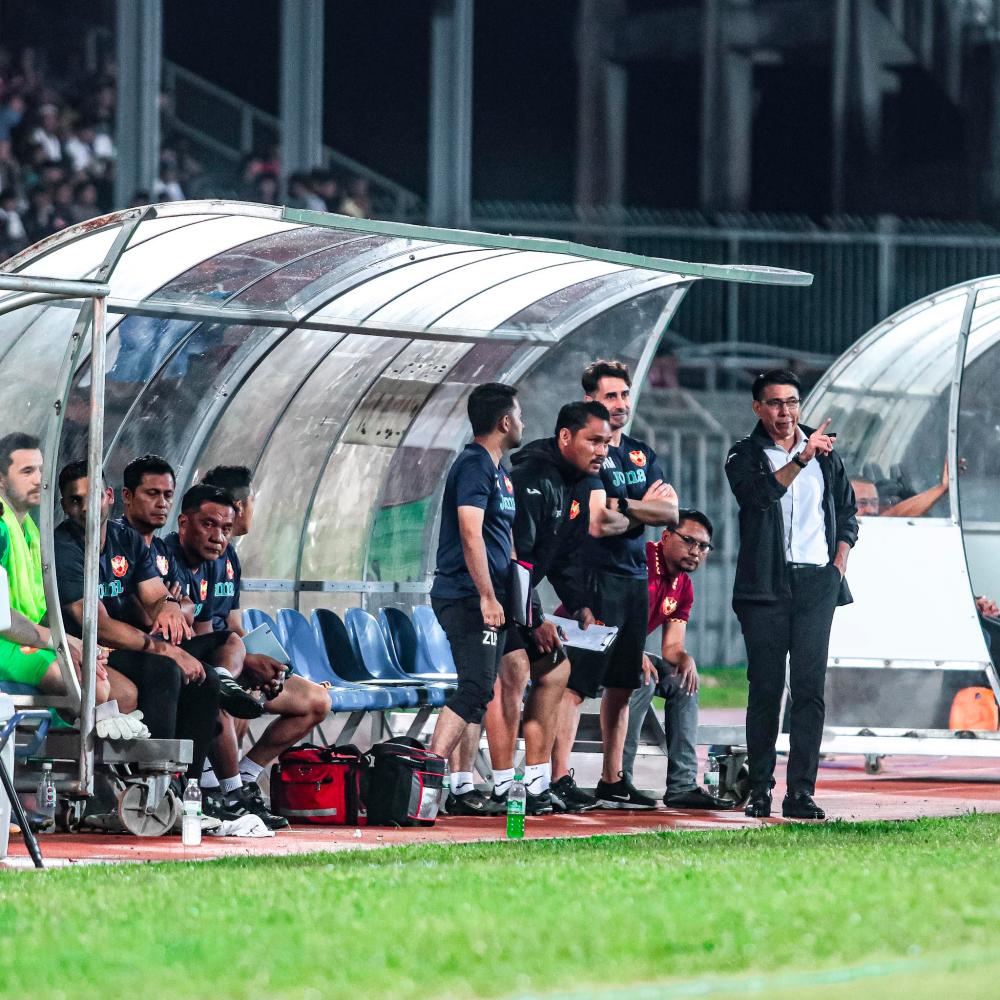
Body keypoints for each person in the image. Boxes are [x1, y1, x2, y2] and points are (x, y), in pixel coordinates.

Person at [725, 370, 858, 820]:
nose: (785, 412)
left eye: (792, 402)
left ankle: (800, 792)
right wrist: (801, 457)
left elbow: (847, 512)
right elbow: (757, 498)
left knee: (809, 689)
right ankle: (759, 788)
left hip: (817, 582)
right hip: (764, 586)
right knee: (764, 688)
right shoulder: (743, 454)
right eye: (775, 403)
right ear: (757, 408)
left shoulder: (826, 454)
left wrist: (837, 565)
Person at [551, 360, 679, 810]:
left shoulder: (641, 452)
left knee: (622, 686)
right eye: (611, 397)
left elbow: (672, 515)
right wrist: (644, 506)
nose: (621, 404)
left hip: (635, 576)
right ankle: (559, 778)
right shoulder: (591, 456)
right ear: (591, 401)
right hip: (596, 577)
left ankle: (612, 779)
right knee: (577, 684)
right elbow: (599, 523)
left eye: (624, 395)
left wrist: (628, 508)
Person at [485, 400, 619, 814]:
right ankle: (501, 785)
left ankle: (539, 782)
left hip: (518, 596)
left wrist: (578, 605)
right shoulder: (531, 477)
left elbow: (560, 558)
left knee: (558, 667)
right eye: (593, 441)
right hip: (490, 597)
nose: (602, 450)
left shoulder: (577, 483)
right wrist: (536, 619)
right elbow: (517, 560)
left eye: (607, 443)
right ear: (565, 437)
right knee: (512, 671)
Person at [53, 461, 221, 790]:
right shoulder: (64, 548)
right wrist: (166, 649)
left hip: (125, 645)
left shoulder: (125, 538)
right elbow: (95, 625)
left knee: (206, 677)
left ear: (110, 496)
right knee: (164, 670)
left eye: (94, 496)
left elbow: (154, 594)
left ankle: (190, 789)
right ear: (63, 506)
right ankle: (151, 785)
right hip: (87, 650)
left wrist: (168, 606)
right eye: (75, 500)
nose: (86, 507)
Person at [199, 465, 330, 817]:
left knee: (317, 701)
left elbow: (235, 624)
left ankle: (246, 775)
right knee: (237, 691)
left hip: (238, 658)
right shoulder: (197, 553)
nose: (216, 533)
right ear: (241, 505)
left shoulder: (230, 558)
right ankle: (217, 788)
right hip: (212, 664)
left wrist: (279, 669)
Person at [427, 383, 523, 811]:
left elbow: (500, 538)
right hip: (467, 596)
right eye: (519, 415)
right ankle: (427, 784)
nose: (523, 422)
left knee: (477, 689)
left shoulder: (499, 471)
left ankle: (460, 787)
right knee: (475, 688)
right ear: (504, 422)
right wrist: (486, 595)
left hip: (491, 595)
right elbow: (470, 531)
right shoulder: (474, 465)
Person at [0, 433, 124, 709]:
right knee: (91, 687)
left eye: (41, 470)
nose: (38, 479)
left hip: (27, 637)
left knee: (101, 683)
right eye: (27, 471)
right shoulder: (1, 529)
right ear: (1, 479)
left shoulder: (32, 530)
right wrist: (62, 642)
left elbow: (40, 610)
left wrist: (73, 646)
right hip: (4, 642)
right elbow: (3, 617)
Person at [621, 510, 734, 809]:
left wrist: (685, 658)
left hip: (628, 650)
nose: (696, 551)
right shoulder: (640, 558)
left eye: (703, 546)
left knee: (683, 681)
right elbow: (606, 609)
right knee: (640, 677)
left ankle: (682, 786)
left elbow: (671, 645)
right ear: (666, 536)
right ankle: (619, 781)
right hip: (590, 644)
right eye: (689, 541)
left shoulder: (683, 585)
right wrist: (631, 653)